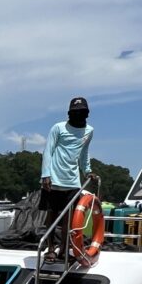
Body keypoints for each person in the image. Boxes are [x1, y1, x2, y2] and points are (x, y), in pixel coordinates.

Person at [40, 96, 96, 258]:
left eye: (81, 112)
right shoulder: (58, 128)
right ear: (69, 113)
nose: (78, 115)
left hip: (72, 182)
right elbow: (48, 151)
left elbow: (84, 153)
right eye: (75, 112)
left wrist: (87, 170)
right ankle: (50, 248)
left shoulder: (89, 131)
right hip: (53, 179)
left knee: (68, 218)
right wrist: (46, 175)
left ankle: (64, 249)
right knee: (51, 215)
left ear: (86, 113)